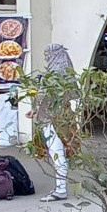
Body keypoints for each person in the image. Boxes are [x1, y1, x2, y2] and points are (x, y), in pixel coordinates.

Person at [30, 43, 75, 202]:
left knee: (57, 152)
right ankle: (60, 186)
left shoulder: (57, 74)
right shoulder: (64, 72)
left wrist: (38, 110)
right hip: (59, 117)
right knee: (60, 152)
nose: (45, 56)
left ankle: (61, 189)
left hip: (54, 119)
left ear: (55, 54)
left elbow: (48, 97)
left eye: (47, 53)